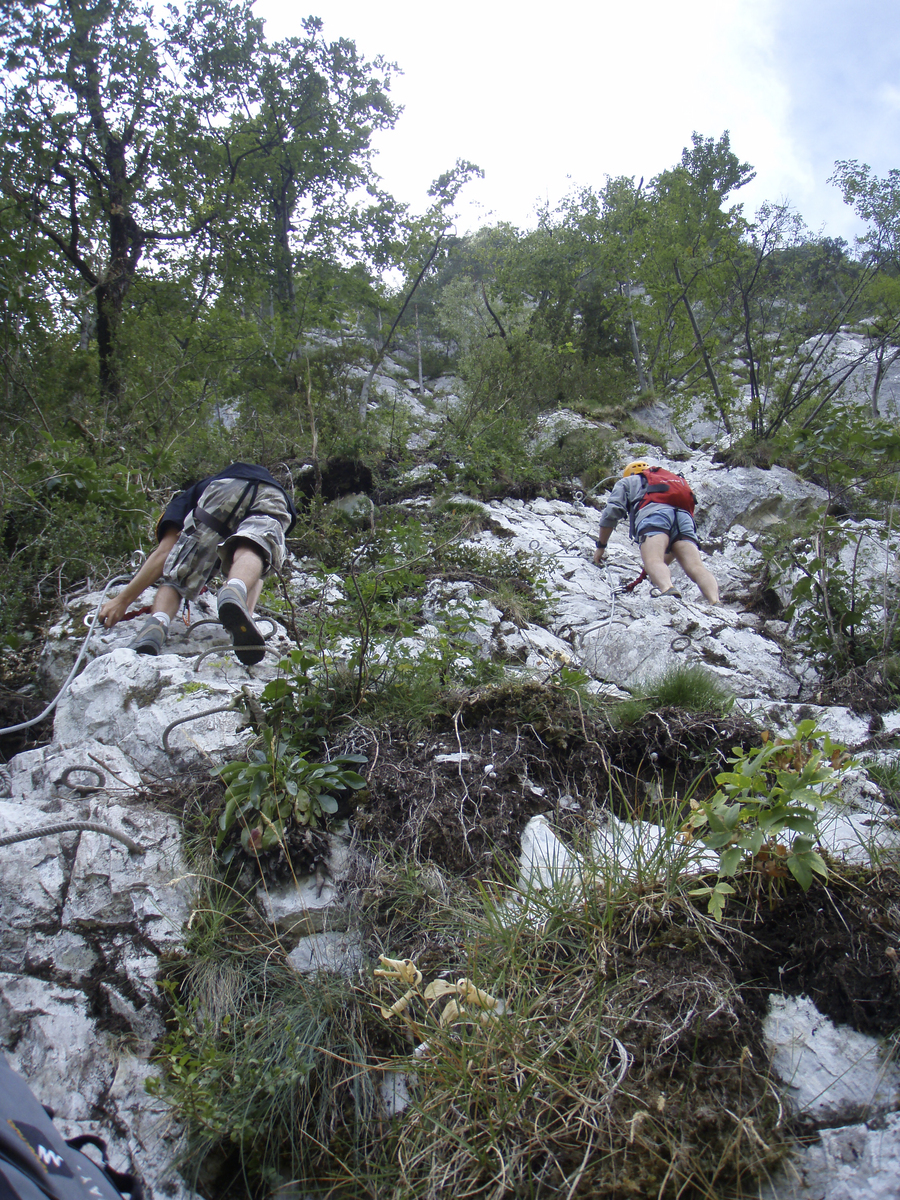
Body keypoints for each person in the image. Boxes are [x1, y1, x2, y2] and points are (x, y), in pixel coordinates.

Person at [99, 462, 297, 665]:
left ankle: (156, 625)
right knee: (255, 549)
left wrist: (121, 601)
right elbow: (259, 575)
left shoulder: (182, 501)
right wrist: (245, 614)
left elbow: (165, 554)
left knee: (178, 577)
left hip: (225, 489)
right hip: (274, 494)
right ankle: (236, 593)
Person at [592, 460, 719, 604]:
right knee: (696, 567)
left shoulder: (627, 482)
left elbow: (611, 513)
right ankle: (715, 601)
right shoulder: (672, 479)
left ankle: (667, 589)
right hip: (684, 518)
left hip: (655, 516)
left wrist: (601, 546)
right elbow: (669, 550)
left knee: (653, 560)